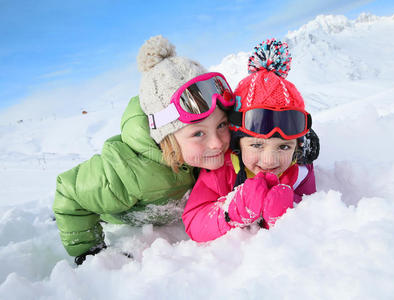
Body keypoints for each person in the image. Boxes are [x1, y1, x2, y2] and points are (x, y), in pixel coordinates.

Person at [53, 35, 235, 265]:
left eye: (221, 125)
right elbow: (69, 192)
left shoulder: (206, 156)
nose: (217, 143)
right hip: (109, 213)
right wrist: (91, 251)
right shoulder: (129, 171)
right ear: (167, 138)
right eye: (198, 133)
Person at [182, 39, 319, 242]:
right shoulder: (220, 172)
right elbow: (194, 220)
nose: (270, 160)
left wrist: (290, 209)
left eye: (283, 146)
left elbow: (314, 205)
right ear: (237, 142)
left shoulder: (300, 169)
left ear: (297, 144)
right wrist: (231, 210)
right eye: (256, 145)